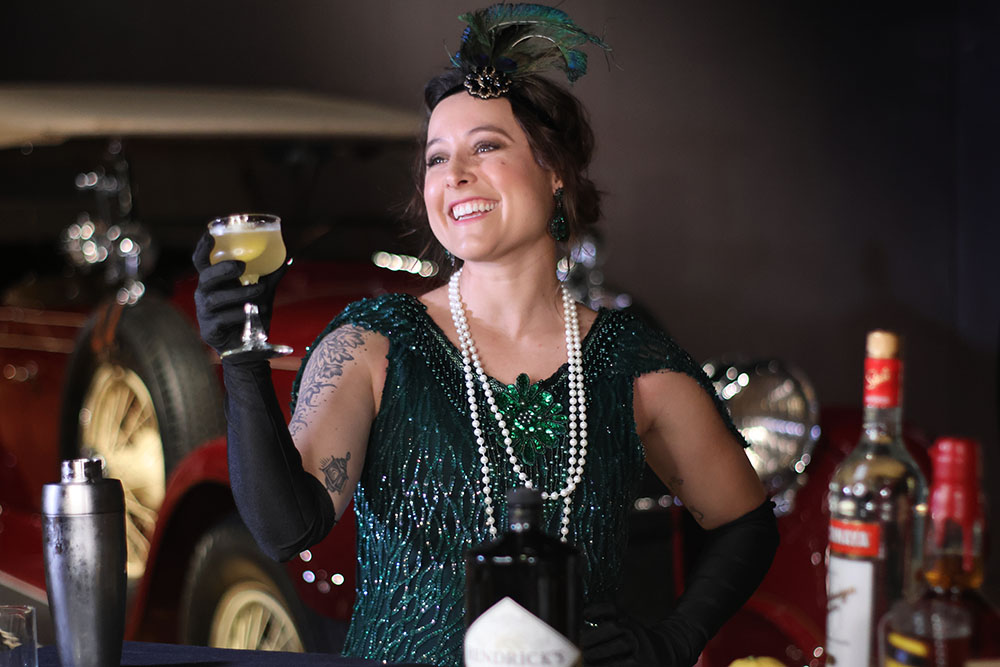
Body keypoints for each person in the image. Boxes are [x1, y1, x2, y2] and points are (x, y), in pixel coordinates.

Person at [193, 5, 778, 666]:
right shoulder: (372, 344)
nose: (455, 174)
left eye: (487, 146)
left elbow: (746, 522)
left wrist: (673, 640)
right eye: (437, 157)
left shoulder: (631, 360)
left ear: (556, 170)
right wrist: (240, 354)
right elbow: (283, 528)